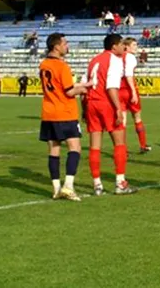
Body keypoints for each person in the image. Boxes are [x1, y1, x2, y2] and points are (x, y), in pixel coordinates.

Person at [38, 33, 92, 201]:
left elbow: (59, 87)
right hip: (65, 113)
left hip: (48, 113)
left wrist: (81, 85)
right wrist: (83, 89)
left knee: (54, 150)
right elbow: (69, 91)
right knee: (74, 148)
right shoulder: (62, 66)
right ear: (56, 46)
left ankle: (56, 189)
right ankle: (68, 186)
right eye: (65, 43)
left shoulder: (44, 64)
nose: (67, 46)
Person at [82, 34, 136, 196]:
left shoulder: (94, 60)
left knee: (95, 145)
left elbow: (85, 86)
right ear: (114, 46)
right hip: (106, 103)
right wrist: (118, 109)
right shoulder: (115, 60)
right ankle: (120, 183)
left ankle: (97, 184)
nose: (124, 47)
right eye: (121, 44)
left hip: (91, 102)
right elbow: (111, 87)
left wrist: (84, 109)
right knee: (119, 143)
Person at [119, 38, 151, 154]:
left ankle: (123, 149)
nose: (136, 47)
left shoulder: (118, 57)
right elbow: (128, 75)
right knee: (137, 118)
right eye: (133, 45)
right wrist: (133, 91)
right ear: (126, 47)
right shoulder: (130, 57)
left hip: (118, 91)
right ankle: (143, 145)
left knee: (122, 122)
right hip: (128, 90)